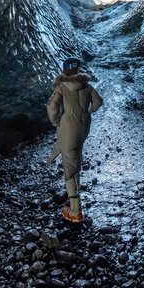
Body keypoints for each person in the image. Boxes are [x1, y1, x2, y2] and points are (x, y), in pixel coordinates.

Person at [46, 57, 103, 222]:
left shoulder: (61, 87)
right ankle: (77, 183)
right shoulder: (87, 86)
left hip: (68, 128)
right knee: (77, 150)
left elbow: (51, 108)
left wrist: (57, 121)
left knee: (68, 165)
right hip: (84, 127)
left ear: (65, 70)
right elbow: (98, 102)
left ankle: (75, 211)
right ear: (77, 71)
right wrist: (87, 112)